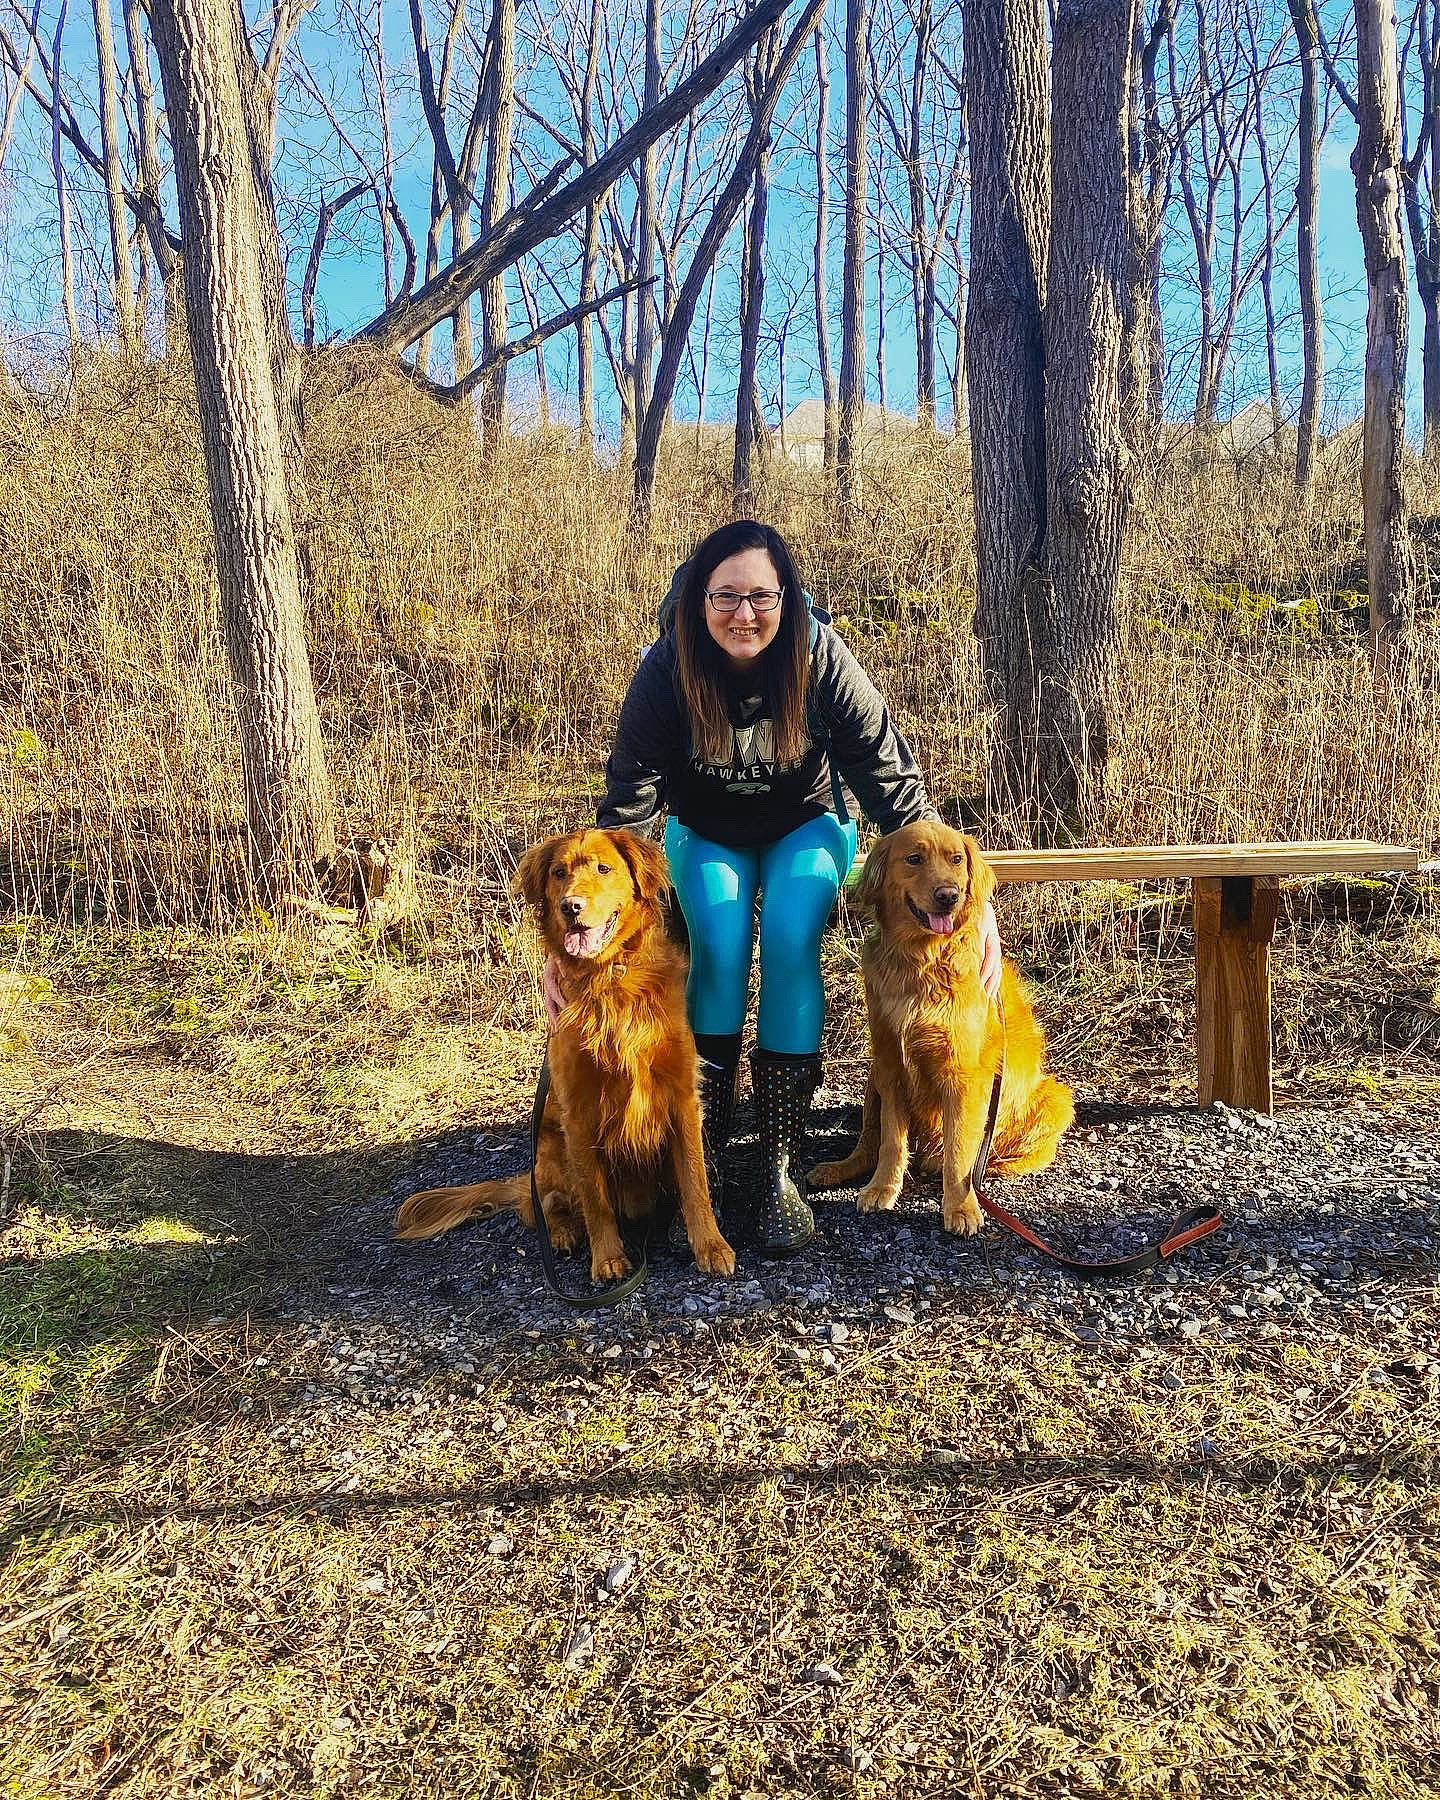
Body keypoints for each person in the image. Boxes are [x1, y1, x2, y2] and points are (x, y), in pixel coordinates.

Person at [544, 519, 1001, 1255]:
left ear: (787, 599)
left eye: (761, 595)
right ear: (698, 601)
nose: (743, 613)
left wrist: (977, 911)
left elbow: (891, 780)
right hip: (706, 830)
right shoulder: (666, 668)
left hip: (806, 822)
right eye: (726, 596)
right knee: (719, 947)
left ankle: (778, 1163)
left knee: (790, 936)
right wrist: (577, 942)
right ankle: (715, 1151)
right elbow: (626, 804)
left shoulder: (821, 656)